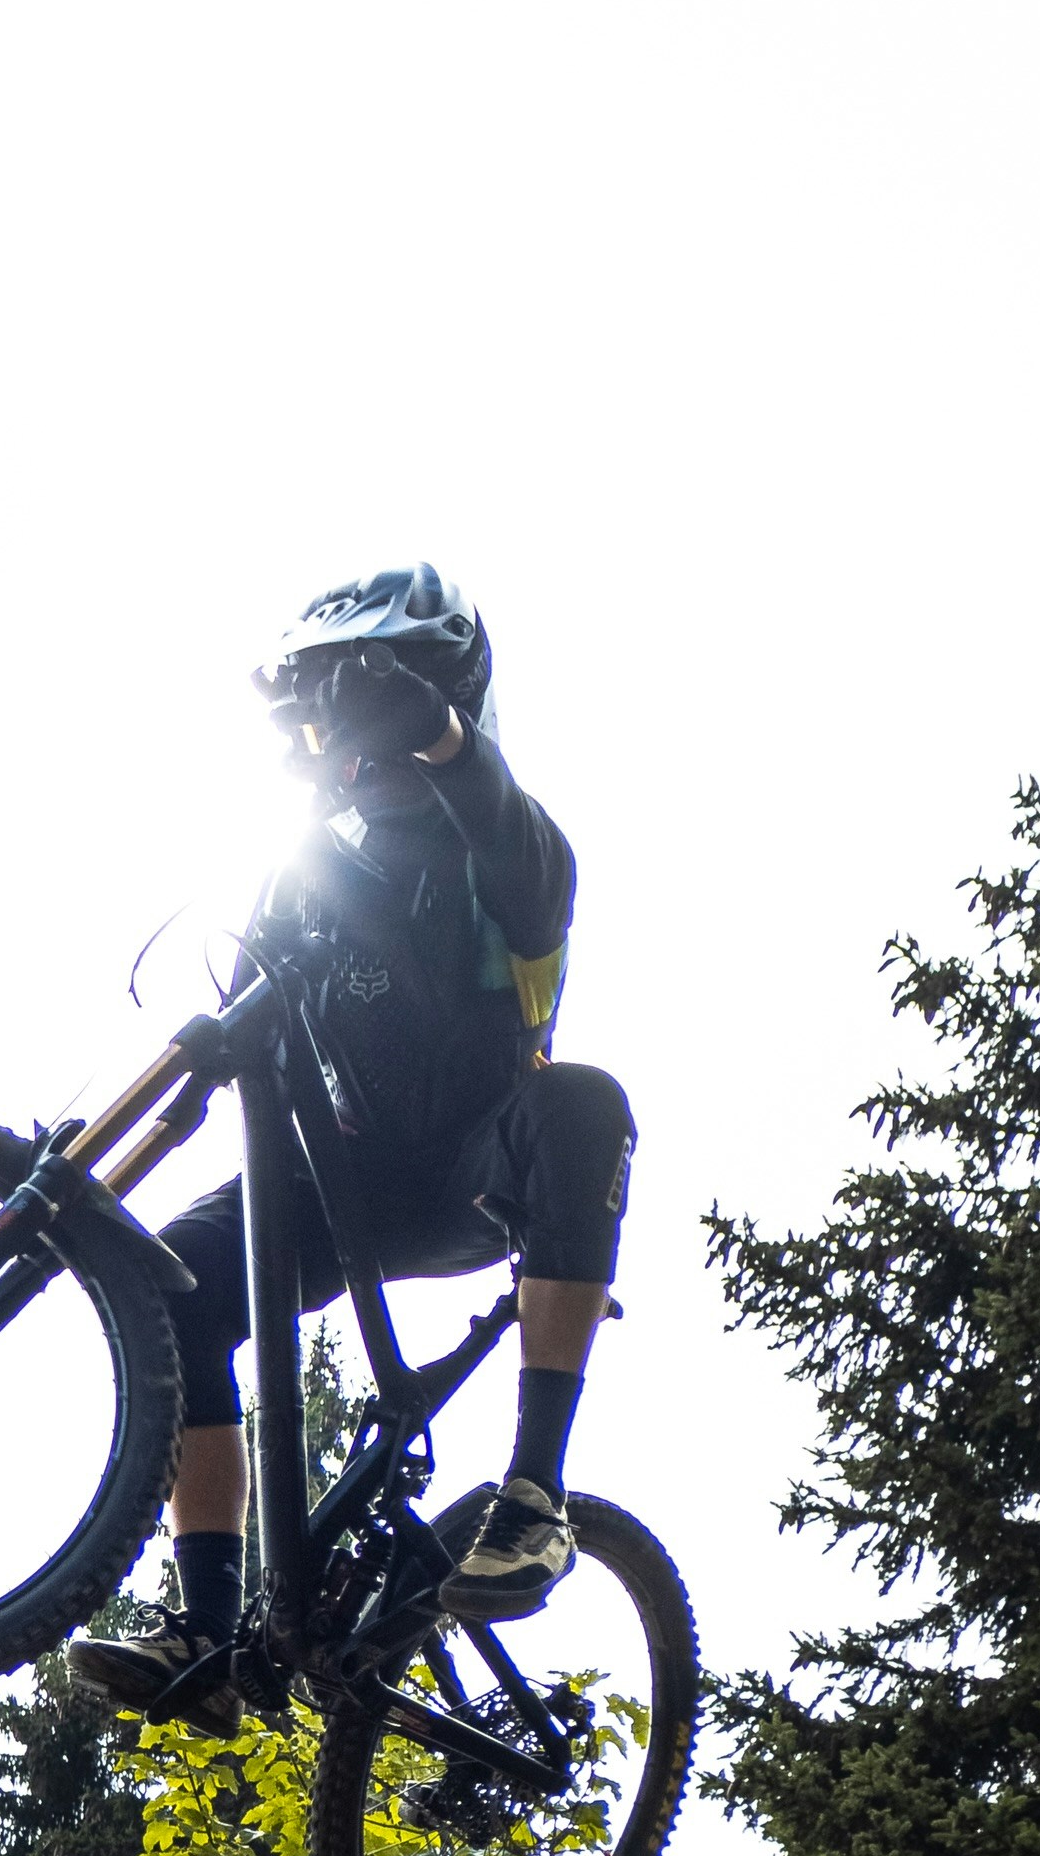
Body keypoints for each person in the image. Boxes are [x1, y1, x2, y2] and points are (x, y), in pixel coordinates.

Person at [69, 563, 634, 1735]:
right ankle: (211, 1637)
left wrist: (437, 737)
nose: (350, 741)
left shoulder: (515, 860)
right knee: (169, 1280)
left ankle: (535, 1497)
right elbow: (226, 1060)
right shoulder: (304, 880)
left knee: (582, 1100)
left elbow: (499, 819)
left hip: (478, 1171)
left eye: (374, 704)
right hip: (348, 1183)